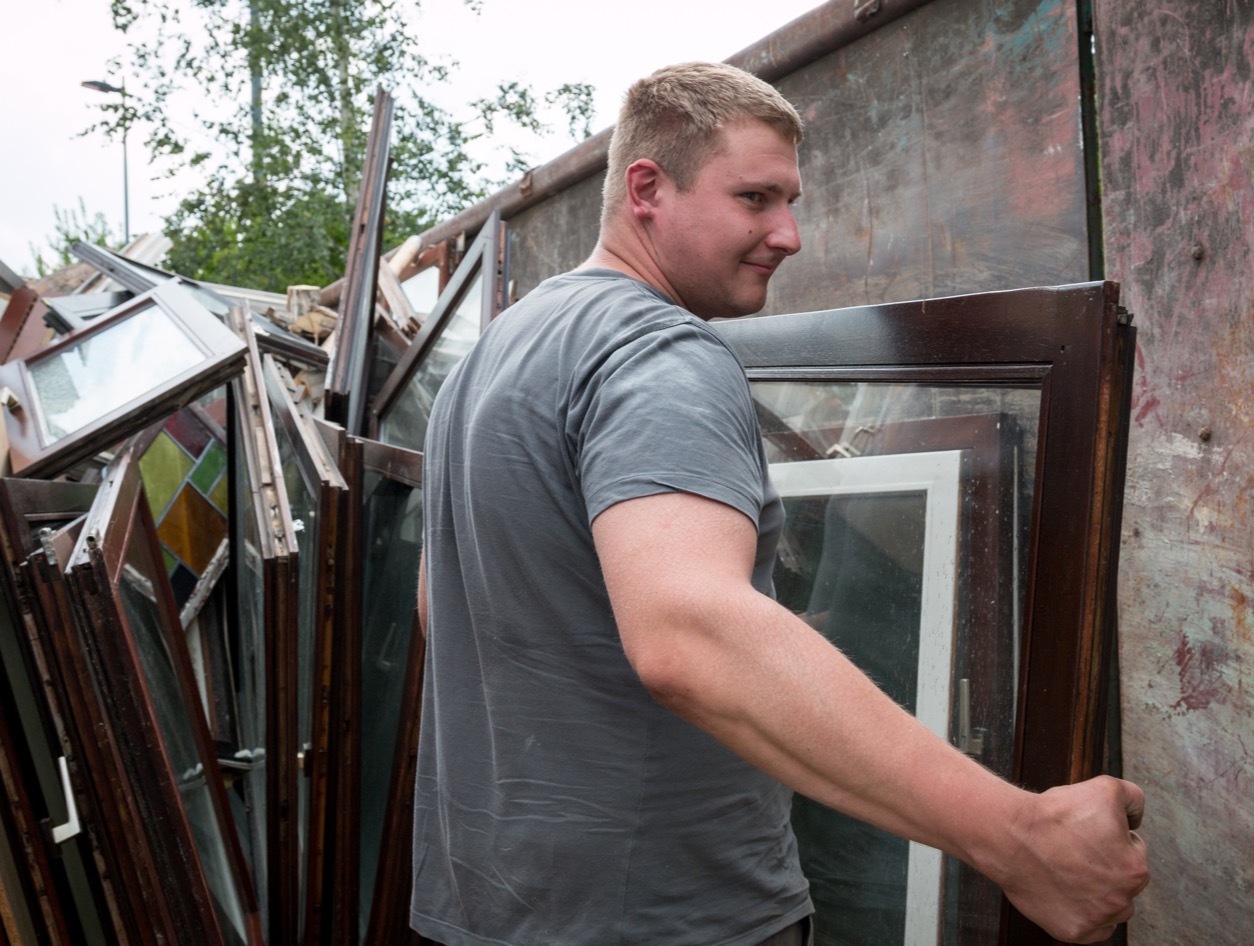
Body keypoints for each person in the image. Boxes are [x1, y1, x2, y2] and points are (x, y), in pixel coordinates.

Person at [412, 61, 1149, 946]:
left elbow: (446, 607)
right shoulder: (660, 355)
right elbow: (687, 636)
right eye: (755, 198)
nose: (789, 233)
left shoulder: (492, 360)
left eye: (789, 200)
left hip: (495, 906)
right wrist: (1022, 840)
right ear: (647, 187)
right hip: (665, 914)